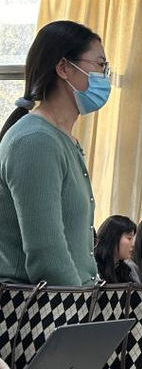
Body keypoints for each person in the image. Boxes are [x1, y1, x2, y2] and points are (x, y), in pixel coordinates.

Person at [0, 20, 111, 286]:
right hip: (41, 306)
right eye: (100, 65)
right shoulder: (35, 141)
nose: (105, 76)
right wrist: (80, 306)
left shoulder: (62, 139)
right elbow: (48, 256)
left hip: (68, 299)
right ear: (63, 68)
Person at [95, 215, 137, 283]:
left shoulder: (125, 270)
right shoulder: (94, 269)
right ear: (113, 238)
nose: (133, 244)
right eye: (129, 238)